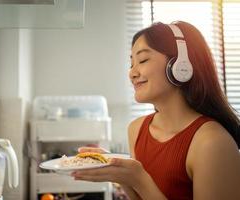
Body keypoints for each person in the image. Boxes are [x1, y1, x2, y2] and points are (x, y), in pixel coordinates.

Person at [71, 21, 240, 200]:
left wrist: (140, 179)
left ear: (180, 66)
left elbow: (143, 184)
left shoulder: (212, 142)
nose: (132, 73)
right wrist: (121, 174)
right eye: (131, 64)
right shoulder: (136, 129)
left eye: (142, 60)